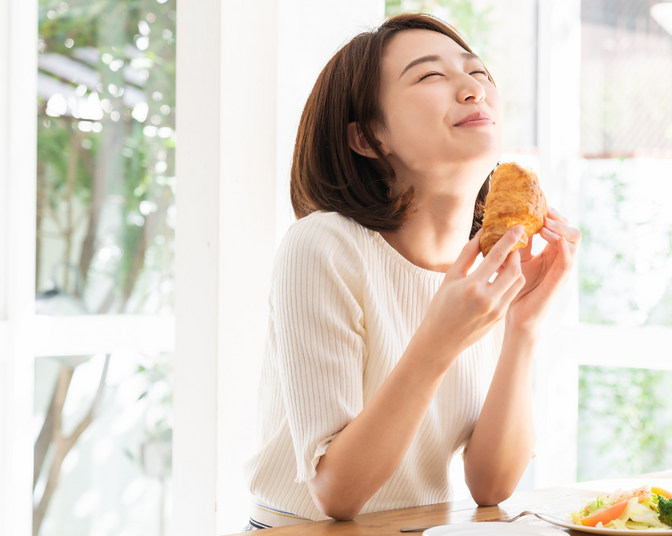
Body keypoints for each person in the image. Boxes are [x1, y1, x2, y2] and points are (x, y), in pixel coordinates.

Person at [241, 13, 582, 531]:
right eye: (430, 76)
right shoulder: (324, 246)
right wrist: (439, 340)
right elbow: (336, 492)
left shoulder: (484, 268)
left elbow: (491, 486)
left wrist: (522, 328)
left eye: (479, 72)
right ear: (369, 137)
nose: (473, 89)